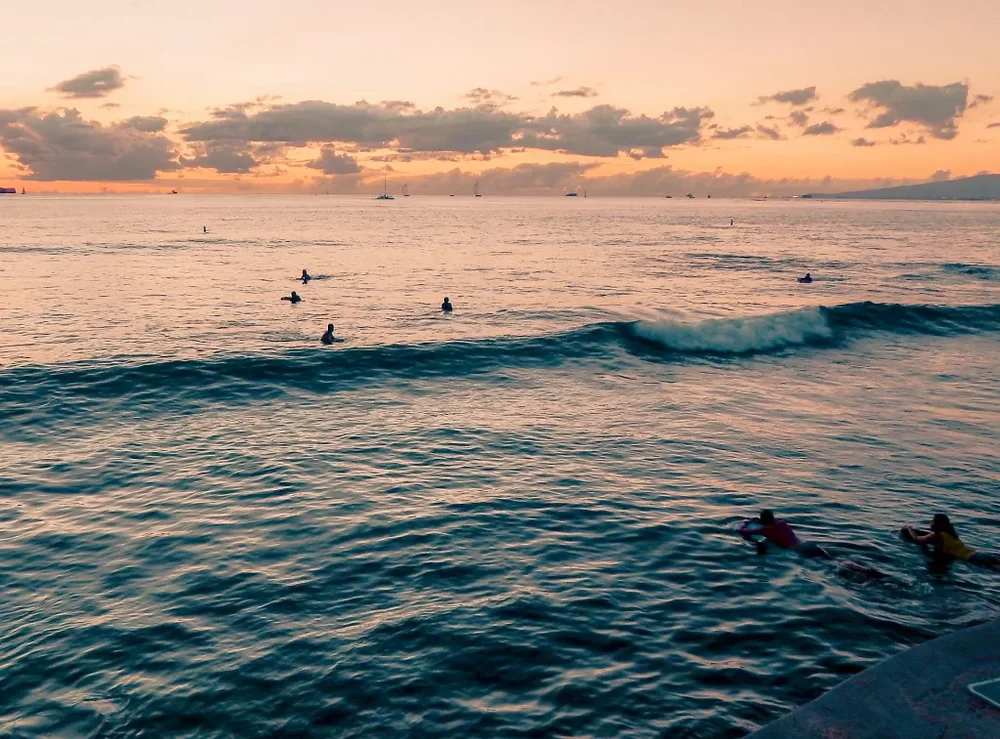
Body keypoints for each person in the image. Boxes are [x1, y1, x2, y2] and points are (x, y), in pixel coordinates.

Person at [903, 514, 1000, 569]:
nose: (930, 523)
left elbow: (917, 540)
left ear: (937, 524)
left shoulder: (937, 536)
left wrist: (909, 528)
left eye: (932, 521)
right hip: (977, 554)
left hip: (973, 560)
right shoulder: (950, 532)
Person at [740, 510, 831, 558]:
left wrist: (746, 522)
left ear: (763, 521)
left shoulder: (766, 530)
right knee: (831, 561)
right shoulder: (782, 523)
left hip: (799, 551)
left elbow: (743, 531)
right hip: (807, 545)